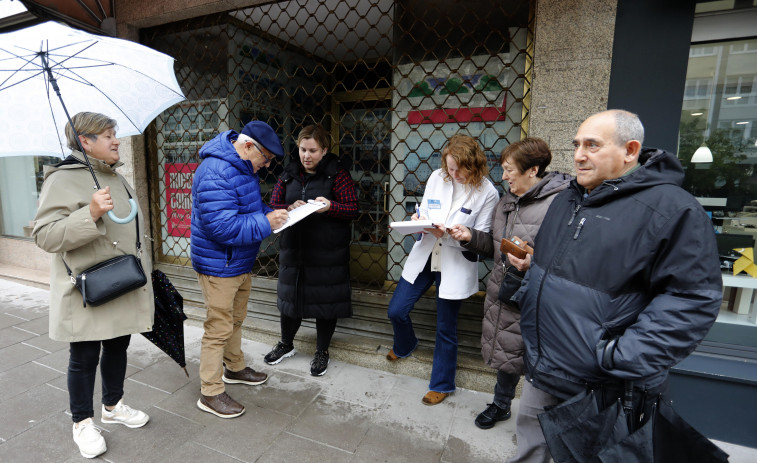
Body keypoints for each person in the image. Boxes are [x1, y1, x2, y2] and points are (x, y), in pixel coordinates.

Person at [508, 110, 723, 462]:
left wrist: (619, 356)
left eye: (592, 145)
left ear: (630, 150)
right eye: (577, 144)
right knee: (530, 454)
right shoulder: (568, 198)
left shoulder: (673, 210)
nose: (579, 154)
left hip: (602, 387)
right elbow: (560, 270)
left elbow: (692, 299)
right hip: (543, 371)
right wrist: (528, 278)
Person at [33, 112, 154, 459]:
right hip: (87, 288)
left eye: (114, 134)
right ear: (85, 142)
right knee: (84, 357)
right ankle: (82, 422)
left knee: (118, 346)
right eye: (108, 135)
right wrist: (90, 213)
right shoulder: (62, 179)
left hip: (121, 280)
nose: (116, 140)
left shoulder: (111, 175)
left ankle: (113, 406)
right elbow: (45, 235)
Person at [448, 138, 571, 429]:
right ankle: (501, 404)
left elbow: (570, 259)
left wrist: (534, 263)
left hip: (540, 296)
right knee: (508, 352)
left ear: (533, 170)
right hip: (506, 290)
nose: (503, 176)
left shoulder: (560, 204)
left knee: (537, 358)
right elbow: (494, 247)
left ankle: (545, 415)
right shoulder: (506, 202)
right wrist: (469, 236)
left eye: (508, 170)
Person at [386, 133, 499, 405]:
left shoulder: (488, 192)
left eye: (461, 169)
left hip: (455, 261)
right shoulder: (438, 177)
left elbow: (483, 239)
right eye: (450, 168)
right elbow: (425, 209)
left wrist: (463, 235)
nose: (455, 174)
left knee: (446, 327)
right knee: (396, 310)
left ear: (476, 165)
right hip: (427, 252)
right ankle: (406, 344)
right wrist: (418, 219)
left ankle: (443, 383)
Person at [191, 120, 289, 419]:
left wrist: (275, 213)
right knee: (218, 328)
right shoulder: (216, 171)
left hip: (239, 261)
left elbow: (250, 207)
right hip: (220, 263)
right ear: (248, 146)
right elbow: (222, 227)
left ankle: (233, 368)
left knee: (235, 320)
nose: (266, 165)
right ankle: (210, 392)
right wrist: (265, 223)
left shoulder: (242, 167)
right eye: (266, 158)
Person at [264, 125, 359, 376]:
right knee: (289, 299)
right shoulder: (288, 174)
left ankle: (322, 351)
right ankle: (286, 344)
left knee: (325, 303)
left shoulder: (337, 174)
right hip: (294, 250)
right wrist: (288, 206)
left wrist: (330, 206)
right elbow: (273, 205)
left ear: (324, 150)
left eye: (313, 151)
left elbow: (352, 209)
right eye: (303, 149)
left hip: (328, 252)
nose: (307, 156)